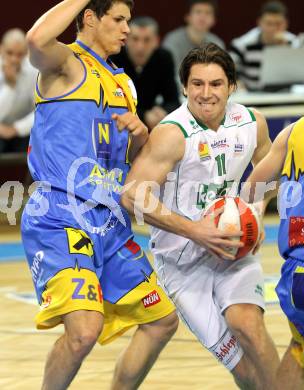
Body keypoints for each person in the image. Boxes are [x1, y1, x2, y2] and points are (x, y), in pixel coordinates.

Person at [21, 1, 178, 389]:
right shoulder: (67, 64)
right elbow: (36, 38)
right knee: (84, 332)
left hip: (109, 220)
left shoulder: (123, 82)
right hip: (60, 213)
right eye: (119, 19)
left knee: (162, 320)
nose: (127, 29)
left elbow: (125, 158)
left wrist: (140, 136)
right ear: (90, 18)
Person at [121, 42, 279, 389]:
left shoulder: (252, 123)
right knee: (246, 372)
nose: (206, 94)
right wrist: (195, 230)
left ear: (232, 86)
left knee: (249, 327)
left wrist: (254, 210)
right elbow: (132, 194)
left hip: (232, 247)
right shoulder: (171, 134)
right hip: (182, 262)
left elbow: (271, 169)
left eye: (216, 84)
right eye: (197, 84)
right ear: (184, 87)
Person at [245, 108, 304, 389]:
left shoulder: (296, 130)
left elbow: (252, 189)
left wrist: (256, 212)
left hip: (302, 274)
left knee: (301, 350)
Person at [111, 16, 180, 130]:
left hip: (152, 125)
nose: (140, 47)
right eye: (135, 39)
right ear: (126, 39)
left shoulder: (164, 58)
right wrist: (144, 116)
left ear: (156, 42)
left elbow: (173, 100)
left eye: (147, 40)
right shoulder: (114, 58)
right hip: (118, 125)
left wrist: (163, 111)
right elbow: (111, 104)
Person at [229, 1, 296, 91]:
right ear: (260, 23)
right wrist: (238, 84)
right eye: (269, 23)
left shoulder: (294, 43)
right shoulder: (242, 44)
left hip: (288, 96)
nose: (273, 28)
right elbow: (229, 71)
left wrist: (285, 50)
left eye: (278, 24)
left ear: (286, 24)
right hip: (252, 97)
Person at [163, 0, 225, 84]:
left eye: (208, 13)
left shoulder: (217, 44)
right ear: (188, 17)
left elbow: (220, 75)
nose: (202, 17)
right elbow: (169, 75)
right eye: (198, 12)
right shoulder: (172, 41)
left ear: (213, 20)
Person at [0, 28, 37, 153]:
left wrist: (16, 128)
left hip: (22, 131)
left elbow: (40, 110)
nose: (14, 59)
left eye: (19, 54)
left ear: (26, 53)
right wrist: (10, 85)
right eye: (9, 53)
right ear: (1, 49)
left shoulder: (34, 71)